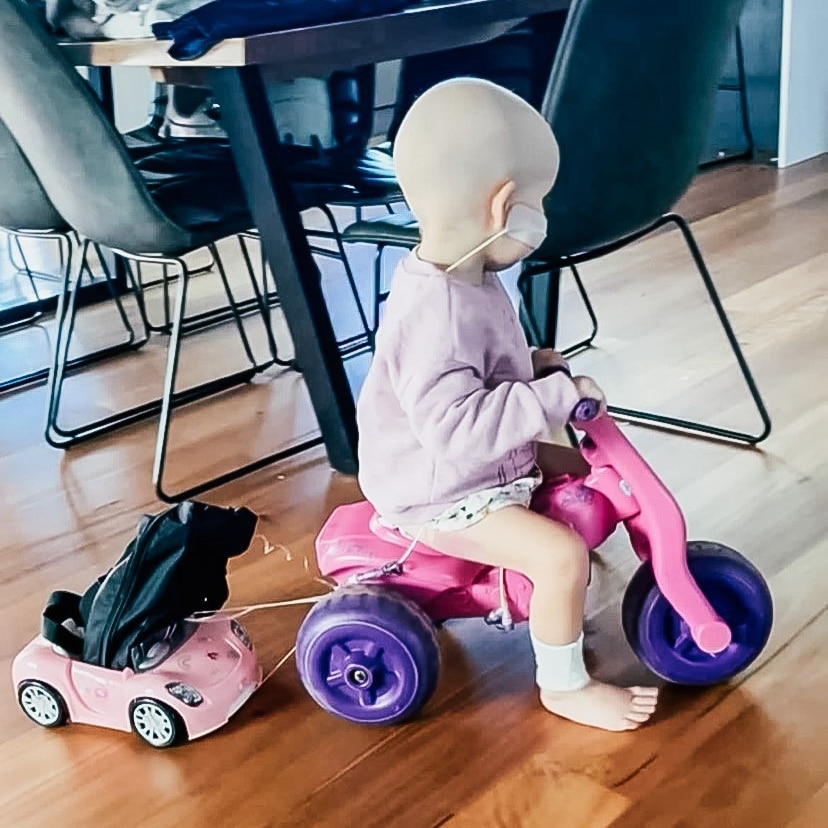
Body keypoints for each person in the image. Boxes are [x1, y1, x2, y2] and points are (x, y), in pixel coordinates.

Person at [356, 79, 659, 732]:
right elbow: (457, 429)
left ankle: (552, 602)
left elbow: (484, 374)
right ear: (503, 208)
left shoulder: (471, 275)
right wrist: (547, 396)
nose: (542, 217)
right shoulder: (433, 313)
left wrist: (534, 368)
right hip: (440, 489)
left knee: (582, 472)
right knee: (559, 555)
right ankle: (564, 684)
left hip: (474, 468)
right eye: (538, 204)